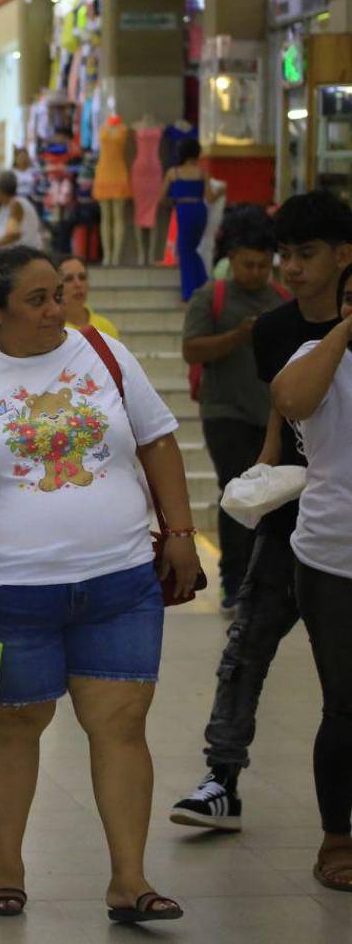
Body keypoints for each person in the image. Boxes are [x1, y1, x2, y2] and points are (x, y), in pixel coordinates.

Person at [0, 246, 198, 924]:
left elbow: (159, 440)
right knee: (14, 723)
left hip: (118, 582)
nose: (58, 309)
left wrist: (178, 531)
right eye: (38, 299)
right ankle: (7, 866)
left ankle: (129, 879)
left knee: (120, 724)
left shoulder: (104, 355)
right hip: (4, 589)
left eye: (59, 293)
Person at [170, 191, 352, 832]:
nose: (292, 268)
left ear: (343, 256)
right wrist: (266, 472)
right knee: (247, 647)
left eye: (306, 254)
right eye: (285, 255)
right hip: (295, 518)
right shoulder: (275, 329)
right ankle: (222, 778)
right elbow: (286, 409)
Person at [271, 263, 352, 893]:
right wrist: (345, 331)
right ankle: (337, 838)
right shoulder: (316, 356)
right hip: (333, 560)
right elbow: (293, 400)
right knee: (345, 706)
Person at [181, 209, 284, 614]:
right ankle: (233, 580)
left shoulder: (281, 299)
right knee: (236, 489)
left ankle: (267, 580)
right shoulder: (213, 296)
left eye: (263, 264)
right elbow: (192, 349)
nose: (256, 272)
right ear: (232, 259)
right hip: (224, 410)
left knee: (272, 499)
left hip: (271, 413)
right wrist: (238, 336)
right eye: (248, 264)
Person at [164, 138, 211, 301]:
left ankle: (190, 290)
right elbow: (210, 197)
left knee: (185, 250)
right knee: (191, 249)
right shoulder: (203, 173)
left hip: (183, 210)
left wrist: (173, 200)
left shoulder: (173, 173)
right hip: (199, 210)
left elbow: (161, 198)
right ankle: (203, 284)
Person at [56, 254, 120, 338]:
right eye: (69, 279)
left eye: (82, 277)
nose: (78, 284)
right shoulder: (54, 330)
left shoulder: (106, 328)